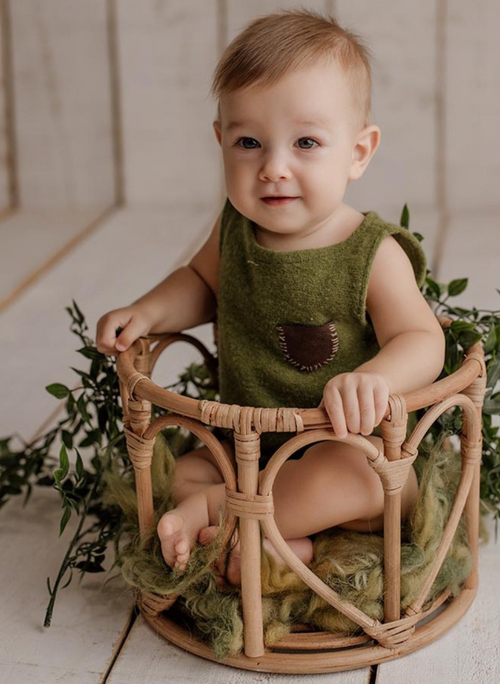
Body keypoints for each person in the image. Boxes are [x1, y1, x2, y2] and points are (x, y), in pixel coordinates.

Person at [95, 10, 445, 585]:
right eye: (249, 142)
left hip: (343, 450)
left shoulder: (371, 252)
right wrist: (149, 310)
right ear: (221, 142)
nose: (273, 168)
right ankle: (286, 545)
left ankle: (224, 518)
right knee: (180, 474)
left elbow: (422, 337)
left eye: (306, 142)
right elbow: (202, 284)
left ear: (358, 152)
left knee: (358, 477)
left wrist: (377, 378)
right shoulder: (233, 227)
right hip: (243, 448)